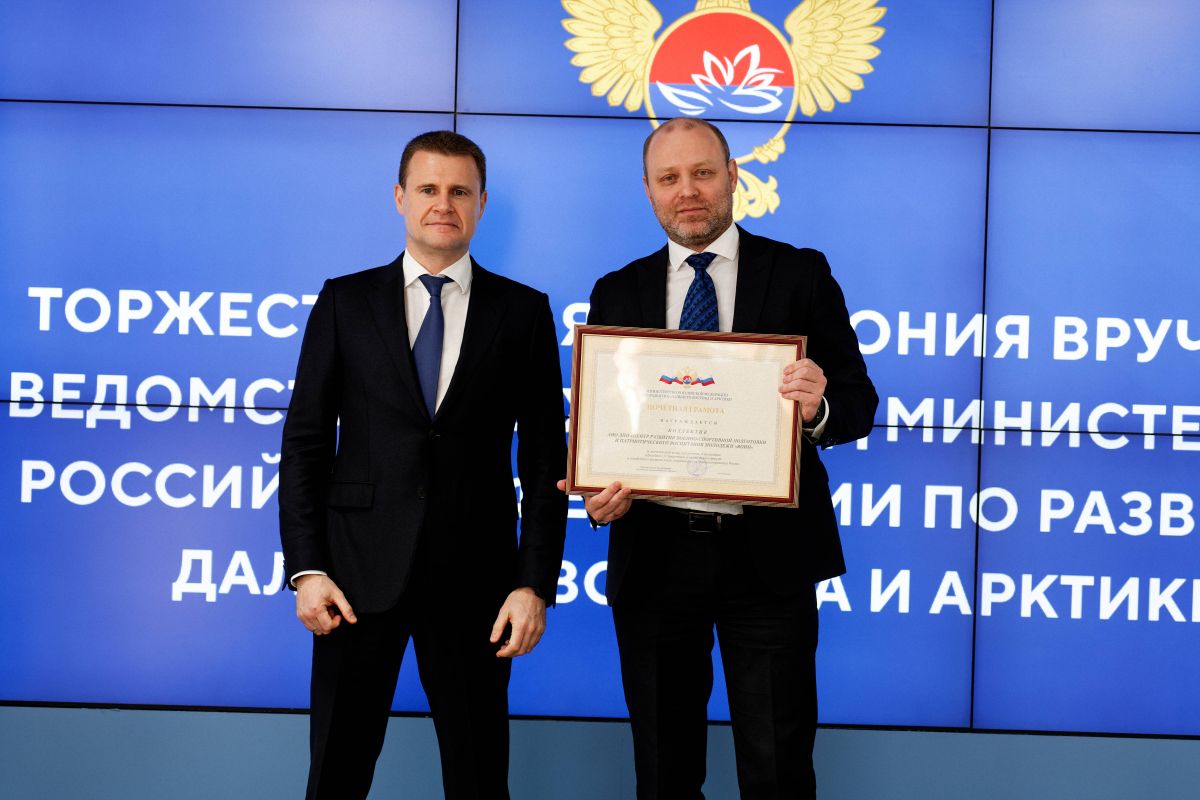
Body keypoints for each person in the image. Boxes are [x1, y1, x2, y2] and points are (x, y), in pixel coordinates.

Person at [574, 118, 877, 799]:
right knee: (664, 773)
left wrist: (818, 407)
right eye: (669, 178)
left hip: (768, 562)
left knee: (777, 770)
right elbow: (609, 425)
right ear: (648, 190)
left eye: (703, 173)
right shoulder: (617, 290)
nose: (687, 191)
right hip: (654, 558)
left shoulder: (800, 273)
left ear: (733, 175)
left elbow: (858, 402)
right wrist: (598, 494)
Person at [279, 130, 567, 800]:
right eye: (429, 189)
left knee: (479, 779)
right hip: (354, 579)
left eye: (460, 191)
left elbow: (545, 463)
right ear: (400, 197)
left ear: (482, 203)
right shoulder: (346, 302)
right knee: (336, 775)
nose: (444, 204)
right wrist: (307, 569)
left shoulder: (523, 312)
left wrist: (533, 584)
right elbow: (306, 444)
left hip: (478, 583)